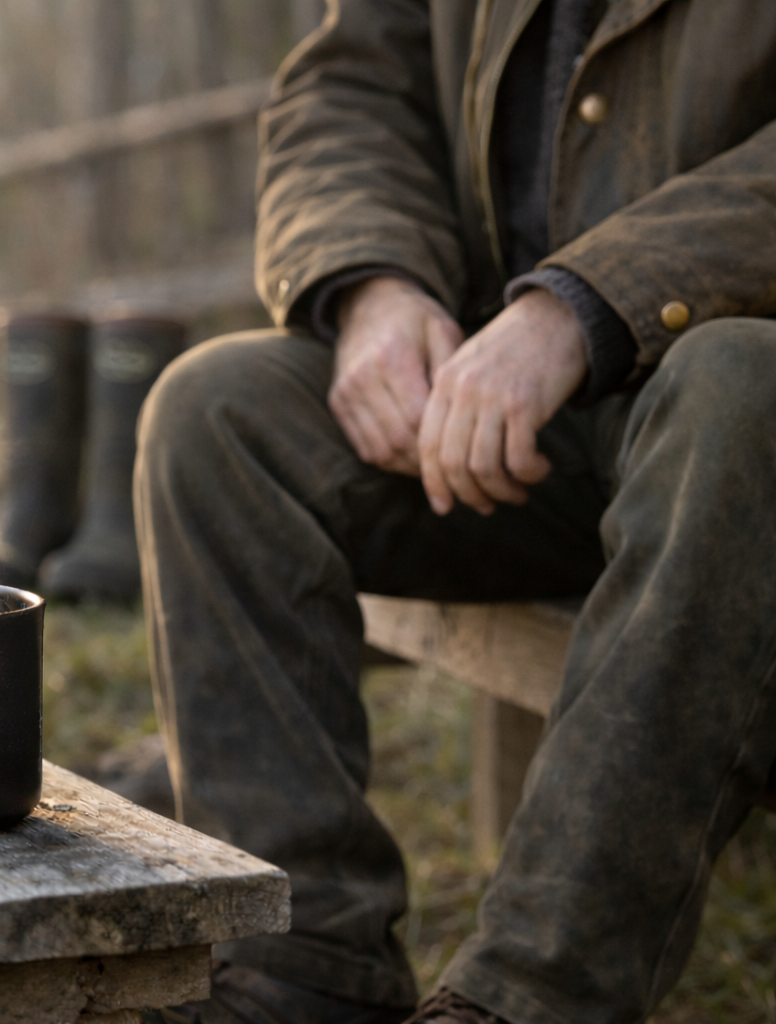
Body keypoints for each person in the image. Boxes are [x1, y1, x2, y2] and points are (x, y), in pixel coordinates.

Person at [135, 2, 776, 1022]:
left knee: (743, 386)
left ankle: (529, 996)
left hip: (729, 411)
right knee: (214, 414)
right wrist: (373, 280)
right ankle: (303, 966)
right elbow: (350, 83)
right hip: (510, 413)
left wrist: (586, 301)